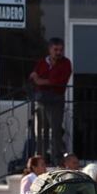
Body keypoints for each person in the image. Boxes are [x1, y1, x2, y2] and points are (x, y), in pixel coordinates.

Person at [30, 37, 72, 165]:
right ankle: (41, 159)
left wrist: (41, 81)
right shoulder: (42, 62)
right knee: (41, 132)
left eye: (60, 50)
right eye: (56, 50)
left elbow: (59, 81)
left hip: (55, 100)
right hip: (41, 100)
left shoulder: (65, 63)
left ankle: (55, 160)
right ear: (50, 49)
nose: (58, 52)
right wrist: (41, 81)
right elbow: (32, 76)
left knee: (55, 131)